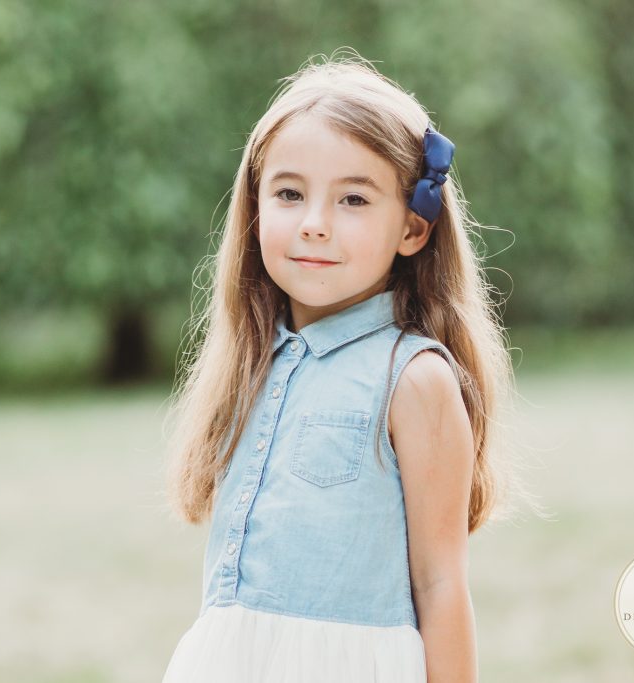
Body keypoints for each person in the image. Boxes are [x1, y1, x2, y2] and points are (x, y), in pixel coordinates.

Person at [161, 50, 523, 682]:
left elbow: (441, 586)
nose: (315, 225)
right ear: (254, 209)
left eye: (353, 199)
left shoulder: (412, 378)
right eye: (289, 193)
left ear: (413, 228)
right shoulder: (251, 364)